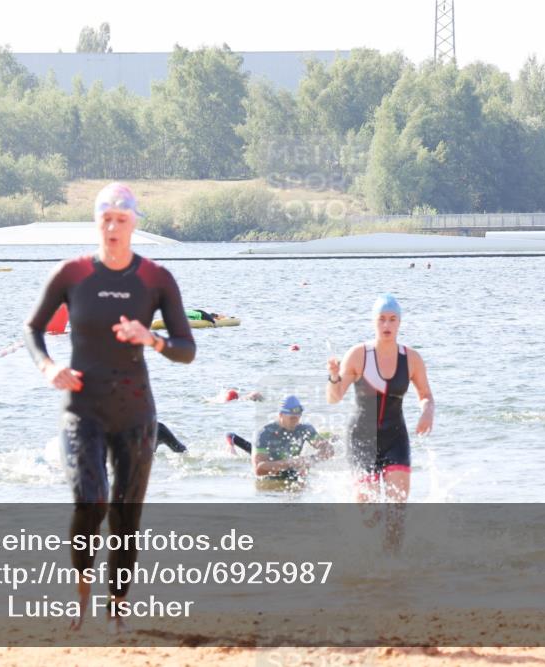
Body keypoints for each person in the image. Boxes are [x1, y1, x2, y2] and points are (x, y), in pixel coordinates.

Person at [23, 182, 195, 631]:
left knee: (125, 514)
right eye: (106, 219)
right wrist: (46, 367)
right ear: (96, 222)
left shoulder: (156, 279)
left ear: (135, 222)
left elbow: (186, 348)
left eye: (123, 219)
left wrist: (151, 338)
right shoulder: (73, 274)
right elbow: (32, 329)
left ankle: (117, 608)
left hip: (136, 413)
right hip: (83, 409)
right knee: (90, 502)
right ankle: (82, 596)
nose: (114, 227)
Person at [326, 294, 434, 503]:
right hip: (362, 438)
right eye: (381, 319)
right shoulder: (358, 355)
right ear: (373, 322)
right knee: (369, 514)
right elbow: (334, 397)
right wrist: (332, 376)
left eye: (392, 319)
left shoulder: (411, 358)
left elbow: (426, 395)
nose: (387, 324)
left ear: (399, 322)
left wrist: (427, 412)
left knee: (397, 510)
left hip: (395, 438)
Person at [225, 396, 333, 484]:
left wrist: (311, 459)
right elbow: (259, 469)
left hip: (286, 463)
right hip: (268, 457)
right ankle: (231, 438)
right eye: (292, 418)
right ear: (281, 415)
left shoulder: (304, 429)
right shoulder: (264, 433)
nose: (295, 422)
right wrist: (291, 462)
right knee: (250, 448)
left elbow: (329, 450)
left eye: (298, 417)